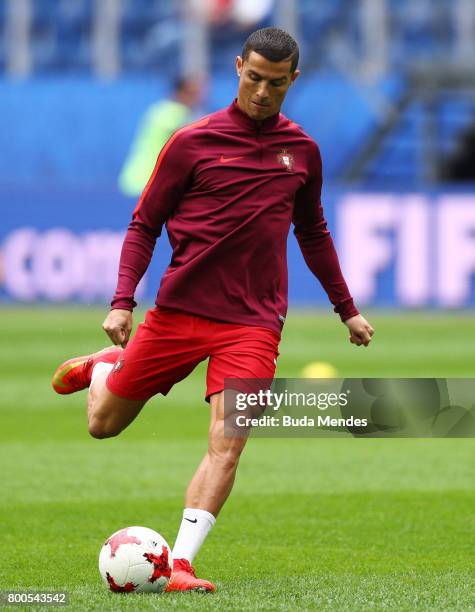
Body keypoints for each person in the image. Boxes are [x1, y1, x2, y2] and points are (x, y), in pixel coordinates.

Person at [52, 27, 374, 593]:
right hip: (178, 313)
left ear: (292, 81)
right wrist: (123, 301)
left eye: (275, 83)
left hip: (253, 325)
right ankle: (107, 367)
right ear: (237, 68)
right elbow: (144, 223)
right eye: (253, 78)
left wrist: (346, 309)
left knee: (228, 443)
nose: (261, 92)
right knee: (102, 425)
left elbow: (314, 232)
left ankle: (179, 564)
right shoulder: (190, 142)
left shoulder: (302, 151)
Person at [118, 77, 202, 197]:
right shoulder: (172, 113)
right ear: (179, 92)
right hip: (145, 183)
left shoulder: (160, 109)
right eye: (193, 93)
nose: (197, 98)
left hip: (142, 184)